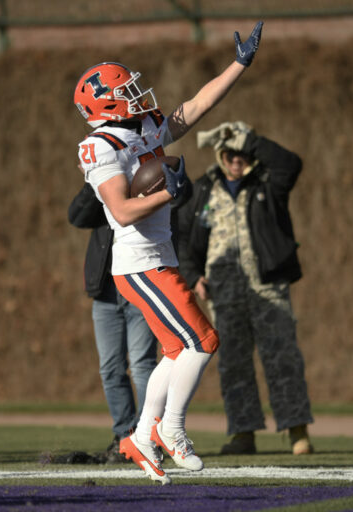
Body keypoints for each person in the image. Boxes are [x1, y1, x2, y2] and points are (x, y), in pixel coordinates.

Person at [73, 20, 263, 484]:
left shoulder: (140, 126)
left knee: (177, 350)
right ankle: (171, 430)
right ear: (105, 103)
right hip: (138, 263)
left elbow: (196, 106)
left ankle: (140, 437)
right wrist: (167, 193)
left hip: (158, 257)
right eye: (127, 91)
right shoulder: (100, 145)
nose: (139, 95)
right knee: (204, 342)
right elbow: (119, 209)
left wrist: (238, 65)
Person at [177, 120, 314, 455]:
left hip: (267, 287)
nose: (237, 160)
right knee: (233, 364)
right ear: (220, 155)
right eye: (231, 153)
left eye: (242, 154)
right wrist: (194, 276)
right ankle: (243, 433)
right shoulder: (203, 190)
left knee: (282, 359)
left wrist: (250, 141)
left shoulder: (268, 181)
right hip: (224, 293)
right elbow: (182, 239)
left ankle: (297, 432)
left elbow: (291, 164)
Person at [68, 183, 160, 462]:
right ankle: (124, 436)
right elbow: (77, 216)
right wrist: (92, 183)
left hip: (141, 286)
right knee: (110, 368)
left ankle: (149, 438)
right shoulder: (105, 184)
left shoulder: (148, 177)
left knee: (143, 365)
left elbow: (183, 196)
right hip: (106, 292)